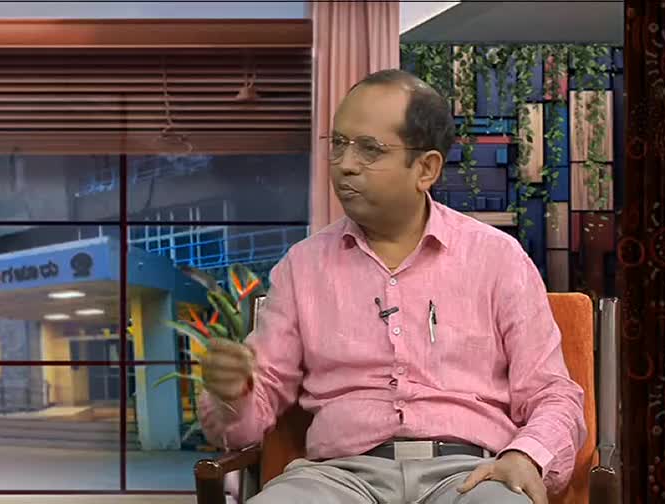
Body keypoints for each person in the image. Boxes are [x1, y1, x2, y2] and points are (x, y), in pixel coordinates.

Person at [199, 69, 586, 504]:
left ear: (426, 168)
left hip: (470, 474)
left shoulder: (498, 258)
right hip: (337, 478)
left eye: (369, 149)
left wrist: (526, 456)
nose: (345, 164)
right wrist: (231, 394)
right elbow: (252, 415)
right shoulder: (302, 267)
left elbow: (554, 396)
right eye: (339, 144)